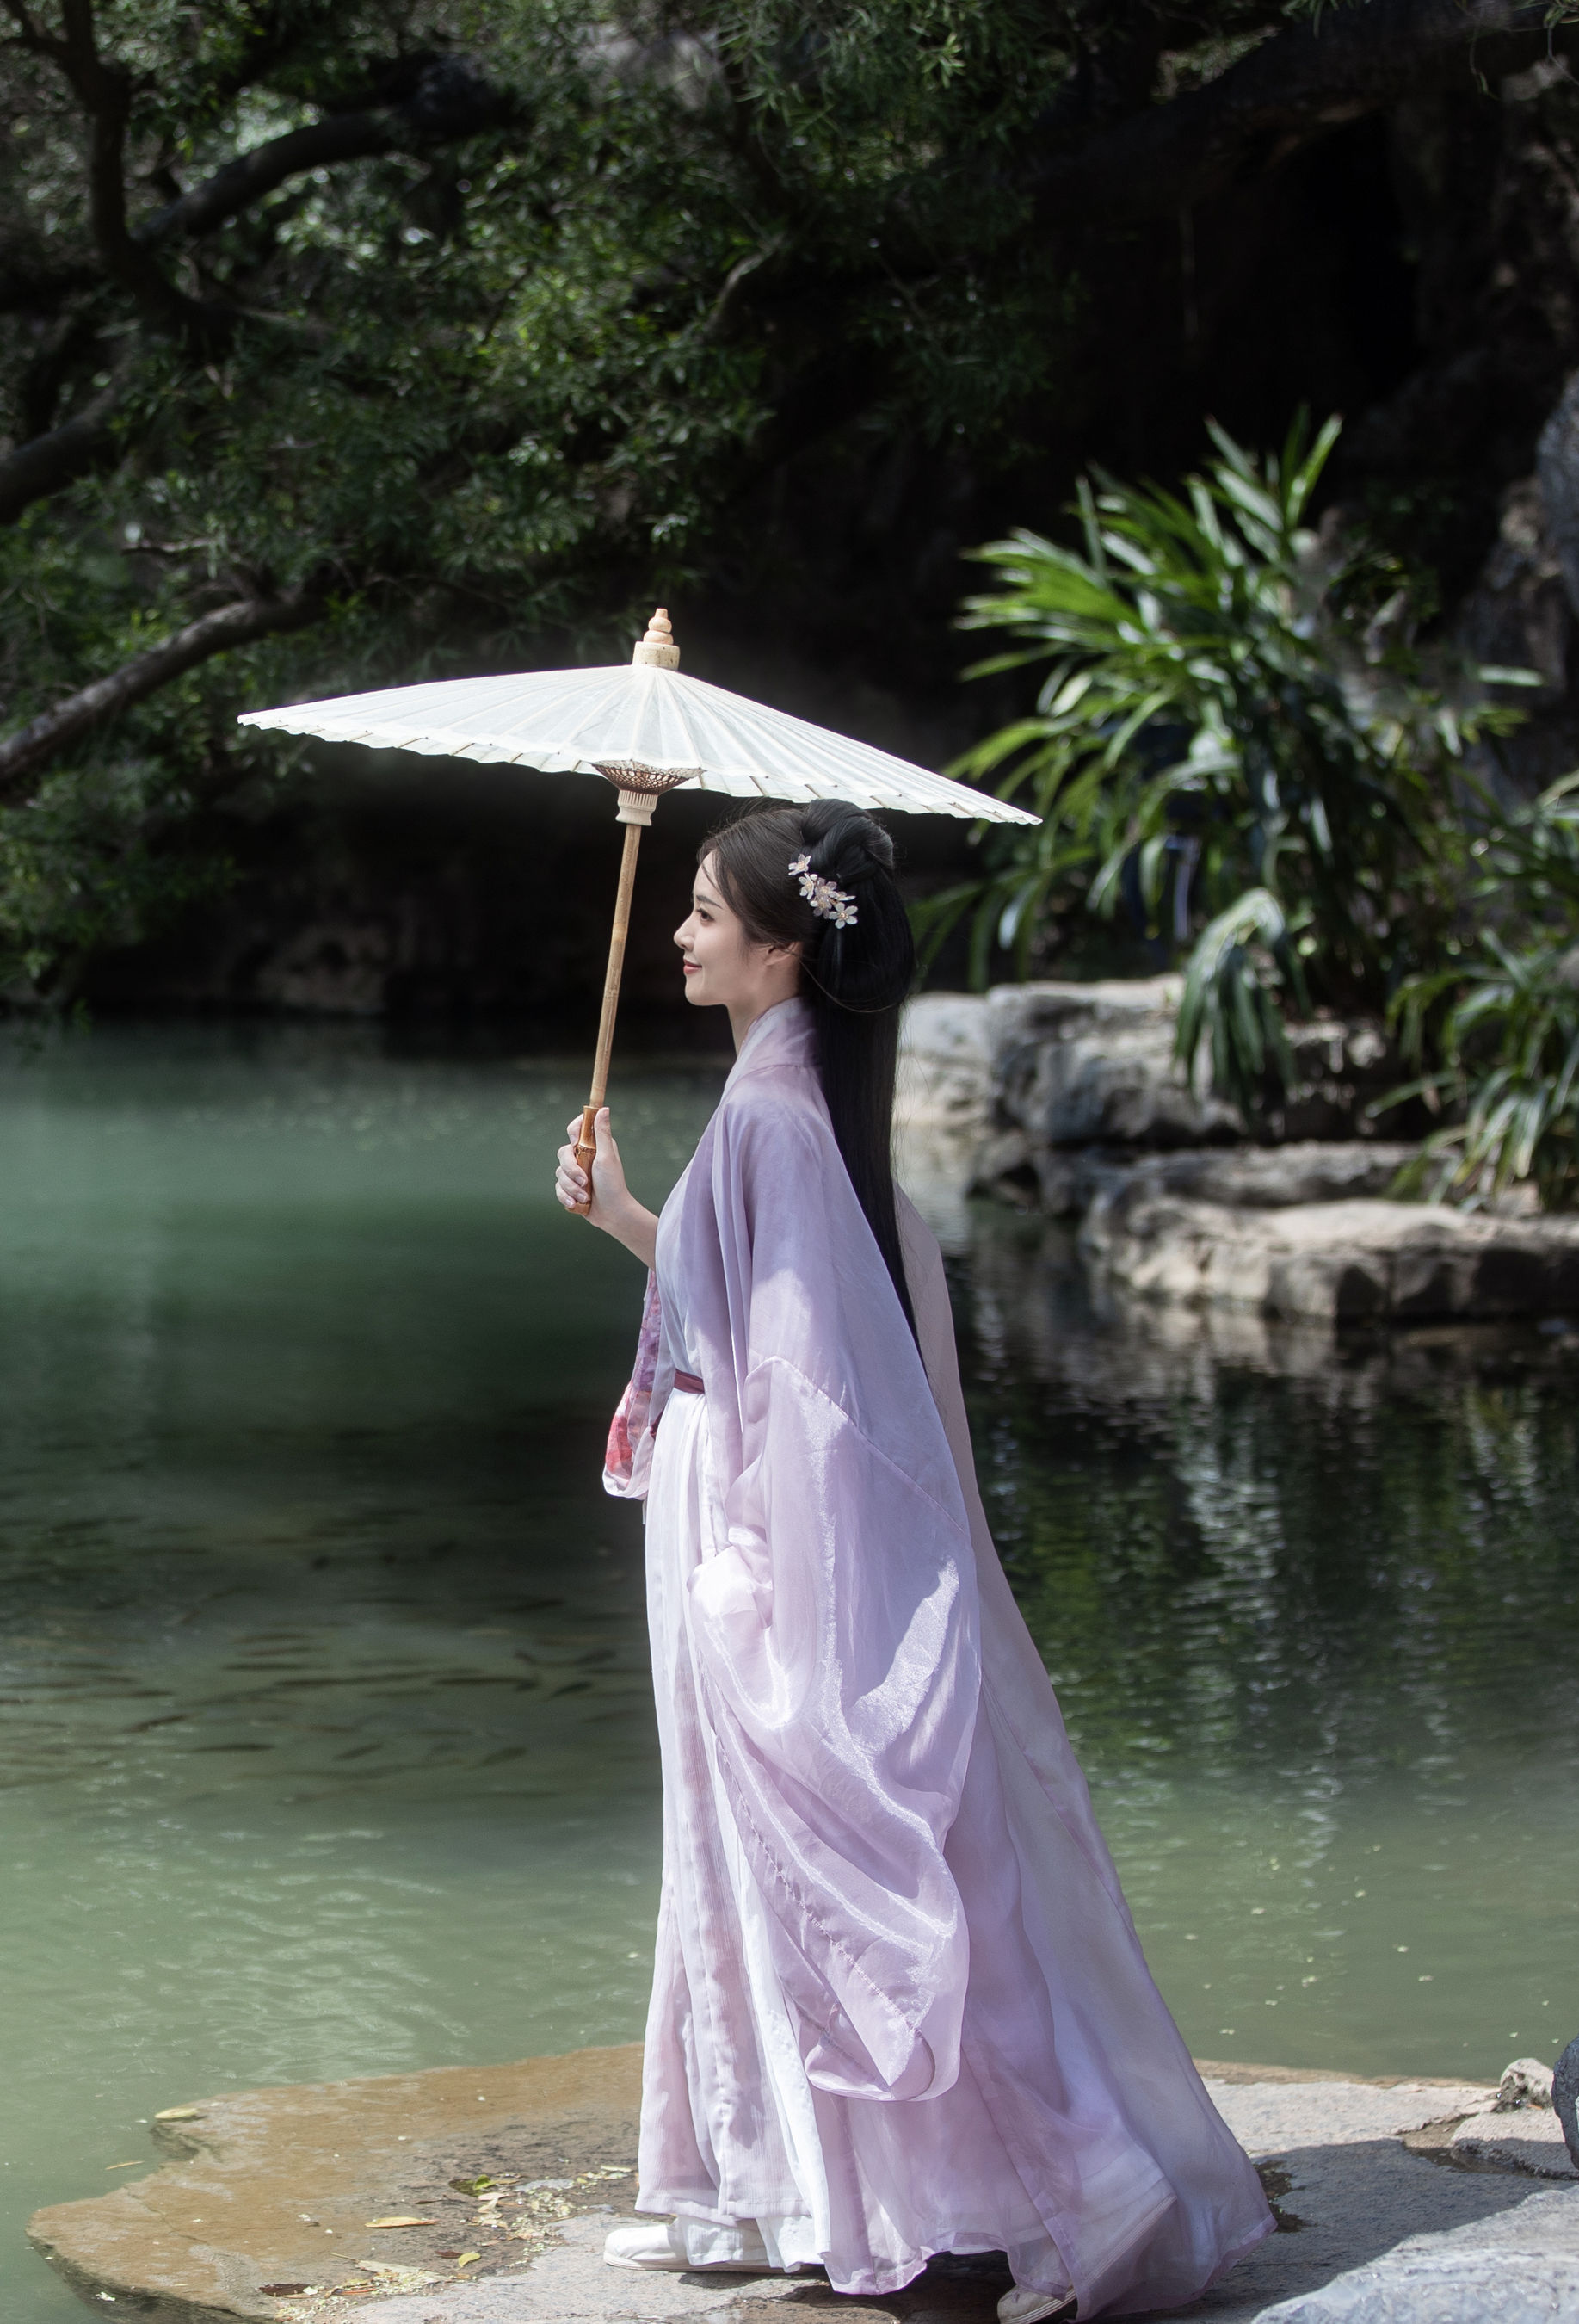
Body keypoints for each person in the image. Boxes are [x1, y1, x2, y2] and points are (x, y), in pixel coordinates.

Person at [549, 801, 1274, 2323]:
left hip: (746, 1534)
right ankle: (787, 2188)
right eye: (676, 906)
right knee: (739, 1859)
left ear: (784, 944)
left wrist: (783, 1612)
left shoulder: (775, 1115)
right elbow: (762, 1311)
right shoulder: (793, 1105)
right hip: (721, 1508)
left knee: (817, 1855)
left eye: (702, 910)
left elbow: (814, 1403)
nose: (678, 935)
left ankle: (1002, 2192)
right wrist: (632, 1219)